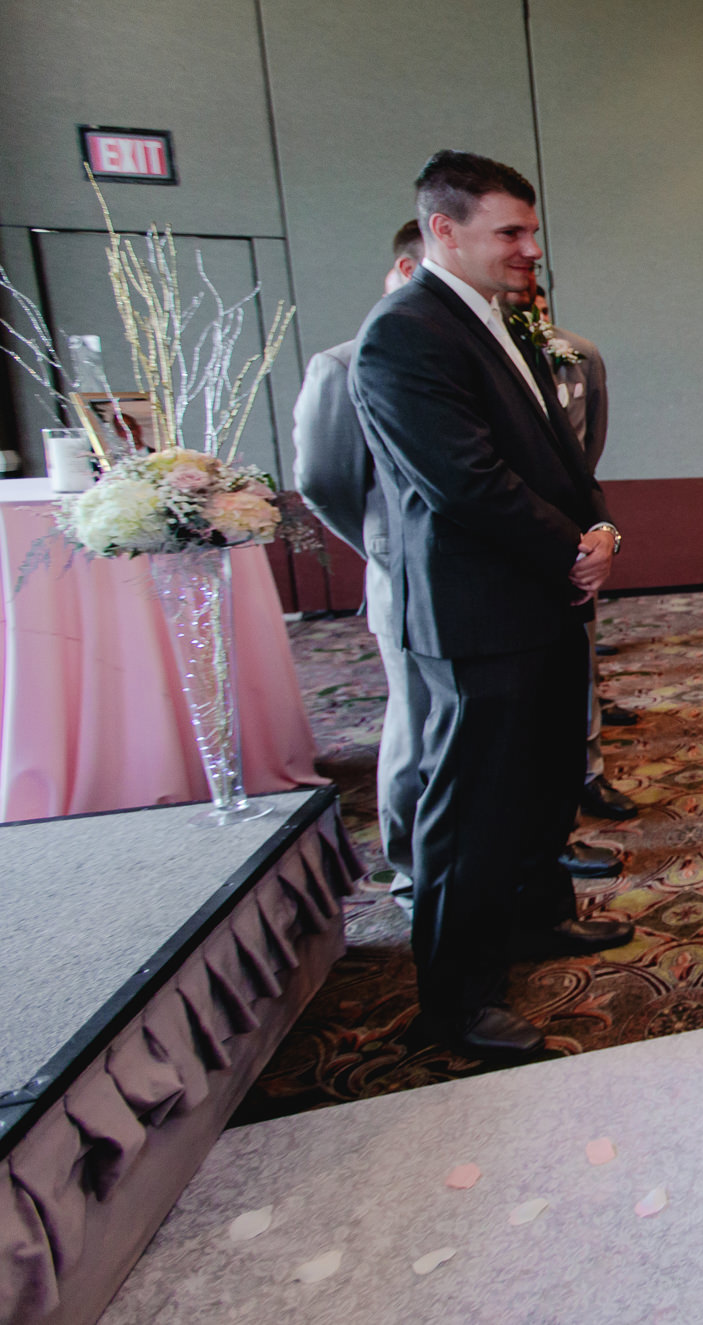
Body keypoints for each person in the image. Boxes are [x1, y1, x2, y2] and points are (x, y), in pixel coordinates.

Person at [351, 150, 633, 1060]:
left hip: (541, 603)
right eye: (510, 231)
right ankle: (458, 1000)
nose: (530, 249)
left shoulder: (497, 321)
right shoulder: (405, 332)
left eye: (531, 230)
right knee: (470, 815)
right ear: (444, 230)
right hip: (475, 621)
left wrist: (596, 530)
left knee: (544, 781)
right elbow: (466, 483)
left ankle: (536, 917)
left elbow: (556, 452)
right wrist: (570, 549)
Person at [293, 221, 425, 915]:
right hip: (405, 584)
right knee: (415, 731)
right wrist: (385, 547)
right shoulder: (342, 366)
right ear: (407, 268)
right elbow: (324, 481)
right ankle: (410, 871)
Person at [502, 281, 637, 861]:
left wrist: (599, 527)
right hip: (502, 543)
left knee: (578, 662)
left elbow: (587, 447)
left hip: (573, 536)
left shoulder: (576, 354)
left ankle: (587, 772)